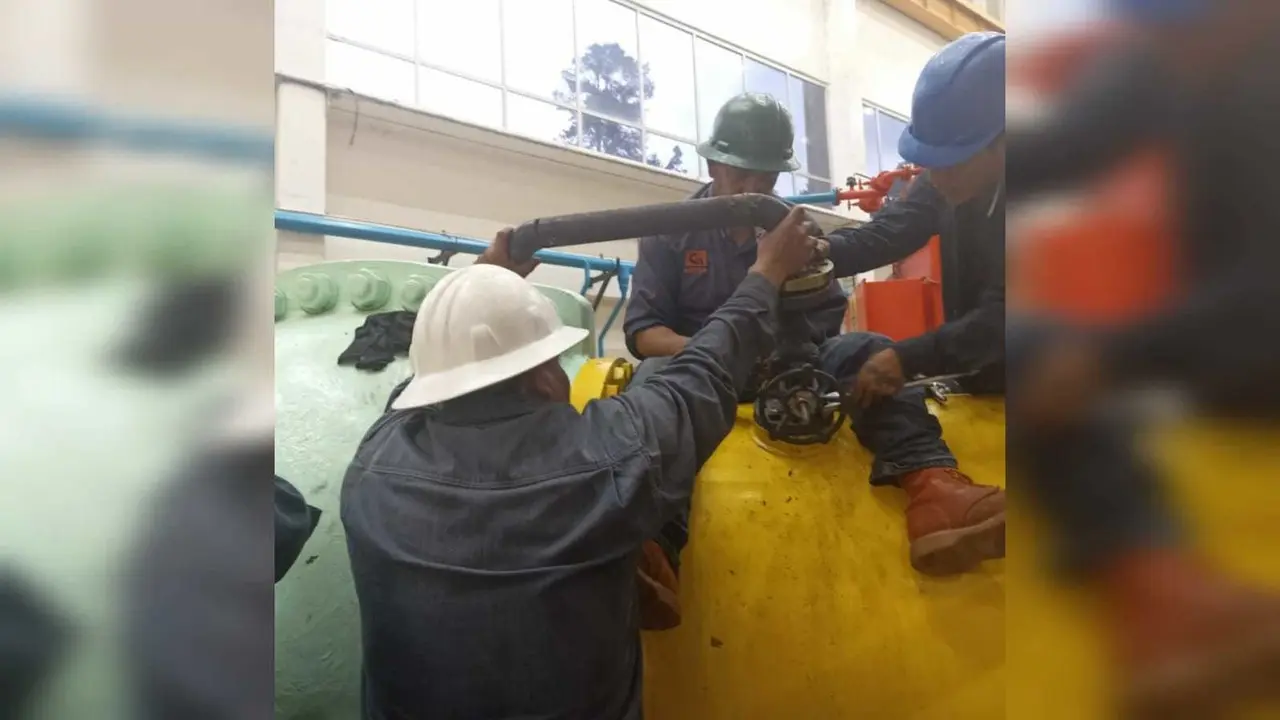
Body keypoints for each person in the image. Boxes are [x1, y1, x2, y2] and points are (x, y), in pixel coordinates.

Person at [340, 210, 818, 720]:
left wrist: (479, 288)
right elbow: (703, 376)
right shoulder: (604, 461)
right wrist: (765, 275)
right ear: (546, 378)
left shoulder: (372, 462)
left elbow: (417, 391)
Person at [624, 35, 1008, 581]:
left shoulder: (792, 231)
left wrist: (800, 309)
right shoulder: (668, 231)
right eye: (740, 173)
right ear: (712, 162)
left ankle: (932, 488)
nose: (754, 187)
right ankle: (654, 545)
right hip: (697, 373)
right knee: (655, 377)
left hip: (787, 366)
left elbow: (830, 313)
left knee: (870, 349)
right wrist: (709, 353)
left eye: (766, 176)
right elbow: (643, 332)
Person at [1006, 1, 1280, 715]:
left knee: (1036, 351)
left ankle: (1173, 602)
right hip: (1221, 347)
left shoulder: (1253, 79)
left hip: (1250, 338)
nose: (1173, 59)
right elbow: (1075, 139)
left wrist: (1111, 356)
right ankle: (1169, 594)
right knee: (1028, 344)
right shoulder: (1171, 56)